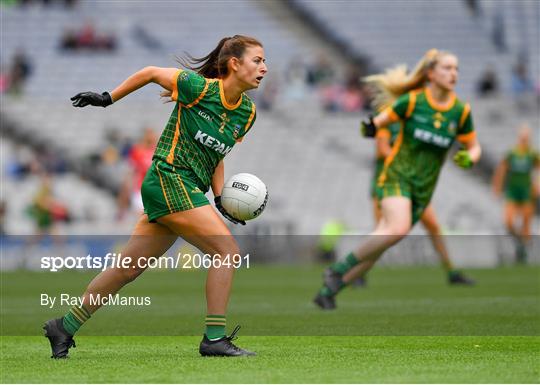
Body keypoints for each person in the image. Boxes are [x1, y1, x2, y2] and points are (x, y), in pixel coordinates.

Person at [43, 35, 267, 357]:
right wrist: (108, 98)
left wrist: (219, 197)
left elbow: (217, 152)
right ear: (234, 63)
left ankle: (63, 327)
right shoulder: (198, 88)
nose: (264, 68)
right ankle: (214, 339)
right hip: (168, 178)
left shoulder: (246, 114)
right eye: (257, 60)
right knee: (227, 252)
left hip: (186, 189)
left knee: (127, 270)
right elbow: (149, 72)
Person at [314, 49, 481, 310]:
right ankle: (337, 270)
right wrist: (370, 127)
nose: (454, 74)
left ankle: (329, 290)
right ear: (430, 73)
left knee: (384, 239)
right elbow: (377, 125)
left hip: (423, 189)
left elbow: (473, 146)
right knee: (397, 229)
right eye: (447, 68)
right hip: (396, 176)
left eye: (456, 69)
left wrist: (470, 157)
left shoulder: (460, 112)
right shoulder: (412, 103)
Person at [355, 121, 475, 286]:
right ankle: (357, 273)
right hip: (387, 184)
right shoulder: (387, 121)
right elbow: (381, 150)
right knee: (382, 233)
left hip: (411, 185)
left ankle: (452, 272)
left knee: (433, 225)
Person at [492, 124, 539, 263]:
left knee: (526, 224)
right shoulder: (512, 153)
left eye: (526, 138)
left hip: (526, 192)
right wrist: (497, 187)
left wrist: (537, 183)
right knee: (508, 222)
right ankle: (519, 242)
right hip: (512, 192)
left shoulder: (533, 154)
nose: (524, 140)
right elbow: (501, 170)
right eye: (522, 137)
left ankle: (523, 252)